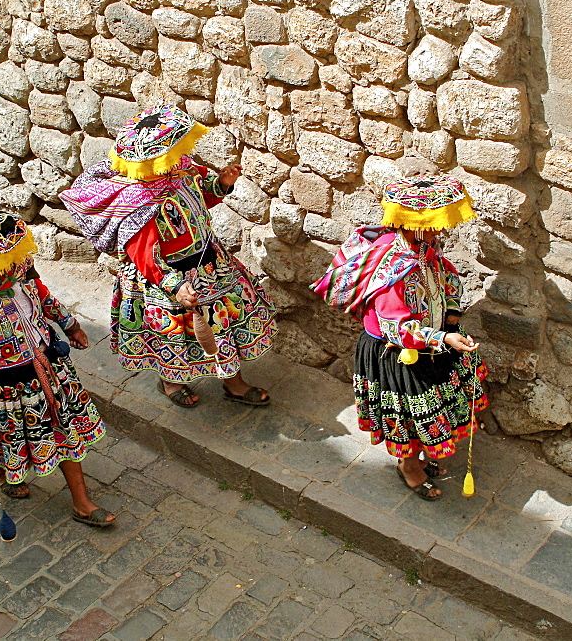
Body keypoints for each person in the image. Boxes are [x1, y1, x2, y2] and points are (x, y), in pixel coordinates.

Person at [59, 105, 277, 408]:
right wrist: (174, 285)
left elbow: (202, 195)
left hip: (209, 265)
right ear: (156, 159)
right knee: (170, 336)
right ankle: (171, 381)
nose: (180, 154)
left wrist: (222, 184)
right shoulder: (140, 203)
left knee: (220, 326)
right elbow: (145, 255)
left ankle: (234, 383)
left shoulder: (182, 172)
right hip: (166, 279)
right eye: (173, 150)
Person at [0, 210, 115, 526]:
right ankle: (4, 475)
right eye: (3, 261)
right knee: (1, 437)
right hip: (0, 389)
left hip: (46, 374)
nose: (12, 266)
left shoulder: (23, 277)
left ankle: (82, 502)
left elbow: (46, 300)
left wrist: (70, 327)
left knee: (64, 433)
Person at [313, 177, 488, 500]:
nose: (439, 232)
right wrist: (444, 339)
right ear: (413, 225)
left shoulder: (423, 250)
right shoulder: (390, 268)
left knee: (433, 407)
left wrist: (451, 314)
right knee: (410, 416)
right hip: (397, 354)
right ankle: (408, 466)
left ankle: (421, 456)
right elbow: (396, 328)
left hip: (432, 344)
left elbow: (447, 276)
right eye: (433, 225)